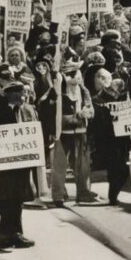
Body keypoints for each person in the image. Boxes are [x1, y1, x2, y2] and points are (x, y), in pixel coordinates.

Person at [0, 75, 38, 249]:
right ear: (10, 95)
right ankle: (5, 235)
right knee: (5, 198)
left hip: (22, 163)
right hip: (2, 165)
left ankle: (17, 233)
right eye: (20, 93)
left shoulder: (29, 110)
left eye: (24, 92)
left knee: (18, 198)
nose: (24, 96)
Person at [41, 59, 98, 207]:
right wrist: (73, 117)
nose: (73, 77)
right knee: (59, 165)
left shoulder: (83, 90)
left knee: (83, 165)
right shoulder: (57, 91)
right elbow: (46, 108)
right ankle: (59, 195)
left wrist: (88, 112)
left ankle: (83, 192)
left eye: (75, 73)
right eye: (69, 74)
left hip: (81, 132)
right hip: (62, 134)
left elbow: (90, 107)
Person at [92, 77, 131, 205]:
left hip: (119, 139)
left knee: (120, 170)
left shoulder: (122, 98)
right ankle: (113, 197)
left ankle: (113, 196)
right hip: (108, 140)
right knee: (115, 169)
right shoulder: (99, 100)